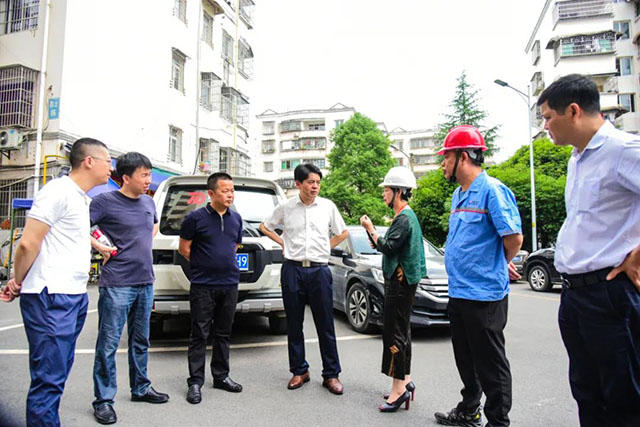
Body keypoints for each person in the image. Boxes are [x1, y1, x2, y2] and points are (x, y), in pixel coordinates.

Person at [537, 74, 640, 427]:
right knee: (586, 393)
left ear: (574, 111)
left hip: (608, 293)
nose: (545, 126)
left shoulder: (622, 150)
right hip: (574, 295)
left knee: (622, 399)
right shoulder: (577, 158)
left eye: (548, 117)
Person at [0, 138, 113, 427]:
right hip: (52, 296)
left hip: (73, 295)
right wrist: (17, 281)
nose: (110, 168)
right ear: (89, 161)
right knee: (48, 378)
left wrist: (97, 246)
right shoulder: (57, 191)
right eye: (107, 161)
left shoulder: (80, 197)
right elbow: (28, 243)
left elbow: (65, 234)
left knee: (57, 373)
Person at [433, 125, 523, 427]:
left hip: (484, 295)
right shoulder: (459, 195)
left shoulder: (492, 191)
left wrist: (497, 263)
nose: (443, 163)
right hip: (459, 292)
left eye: (446, 157)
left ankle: (498, 422)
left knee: (491, 365)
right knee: (466, 358)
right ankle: (469, 410)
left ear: (463, 156)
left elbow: (514, 238)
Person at [89, 152, 169, 425]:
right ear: (125, 177)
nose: (148, 180)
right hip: (117, 283)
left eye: (149, 175)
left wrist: (141, 241)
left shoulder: (148, 202)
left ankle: (141, 388)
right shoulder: (104, 202)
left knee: (141, 340)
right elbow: (76, 227)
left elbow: (153, 225)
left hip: (145, 281)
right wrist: (100, 246)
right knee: (108, 344)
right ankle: (103, 400)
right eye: (144, 175)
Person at [259, 163, 349, 395]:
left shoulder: (327, 206)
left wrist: (326, 248)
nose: (315, 186)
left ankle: (331, 374)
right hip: (293, 270)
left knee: (325, 324)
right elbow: (265, 227)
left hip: (319, 271)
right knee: (294, 323)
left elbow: (343, 232)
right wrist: (282, 242)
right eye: (310, 182)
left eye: (318, 182)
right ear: (298, 184)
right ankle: (299, 371)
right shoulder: (286, 207)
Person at [360, 166, 426, 413]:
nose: (383, 194)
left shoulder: (404, 218)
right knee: (403, 332)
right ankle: (405, 381)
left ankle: (398, 390)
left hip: (399, 284)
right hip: (404, 282)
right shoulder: (407, 216)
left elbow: (388, 247)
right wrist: (378, 239)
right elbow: (392, 246)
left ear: (398, 191)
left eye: (386, 190)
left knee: (394, 334)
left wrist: (370, 229)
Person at [179, 172, 244, 405]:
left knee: (224, 333)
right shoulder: (195, 218)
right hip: (203, 285)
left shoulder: (236, 219)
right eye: (225, 191)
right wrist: (203, 265)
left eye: (232, 191)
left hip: (229, 284)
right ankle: (195, 381)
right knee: (199, 333)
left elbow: (234, 246)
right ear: (211, 193)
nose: (230, 195)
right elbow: (184, 248)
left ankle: (221, 376)